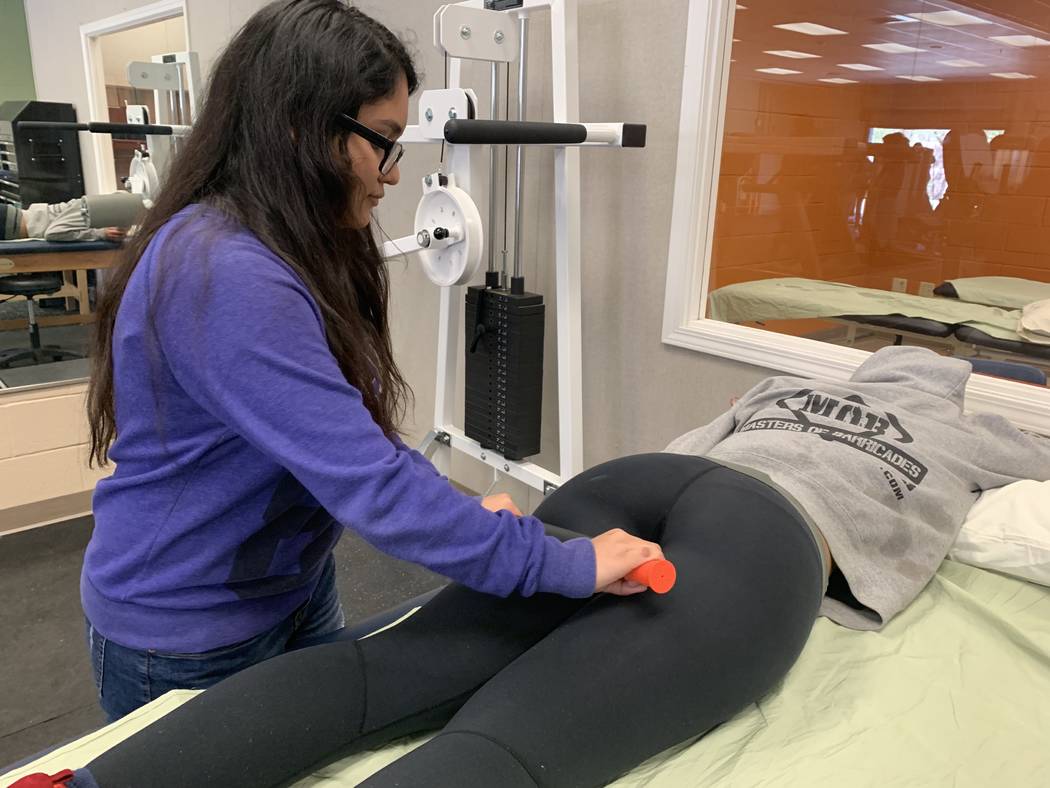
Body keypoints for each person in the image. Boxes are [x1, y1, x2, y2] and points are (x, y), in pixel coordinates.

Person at [14, 344, 1050, 788]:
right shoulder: (973, 432)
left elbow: (695, 447)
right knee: (518, 743)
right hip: (769, 536)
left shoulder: (781, 384)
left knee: (393, 666)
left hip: (645, 483)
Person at [78, 0, 661, 724]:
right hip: (188, 629)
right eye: (383, 141)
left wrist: (462, 511)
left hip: (289, 588)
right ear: (300, 126)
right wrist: (563, 565)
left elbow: (349, 433)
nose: (390, 175)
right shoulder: (222, 271)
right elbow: (374, 491)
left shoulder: (296, 242)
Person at [0, 196, 133, 243]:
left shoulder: (94, 214)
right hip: (10, 223)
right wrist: (100, 234)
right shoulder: (85, 209)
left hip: (11, 222)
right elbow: (53, 233)